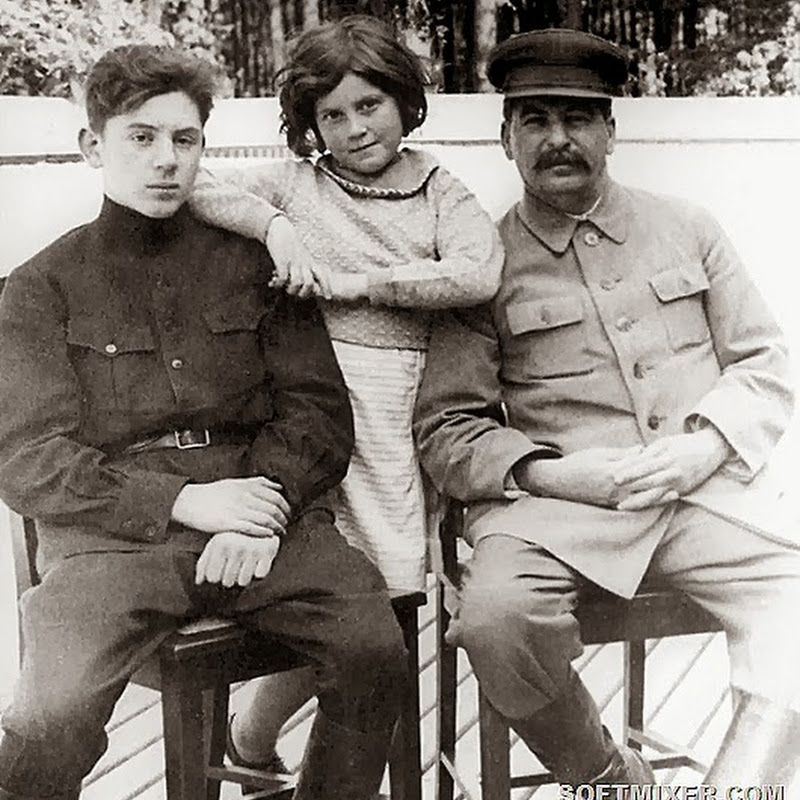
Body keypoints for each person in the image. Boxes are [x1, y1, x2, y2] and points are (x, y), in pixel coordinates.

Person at [0, 44, 408, 800]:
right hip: (112, 541)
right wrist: (183, 503)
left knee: (373, 651)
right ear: (92, 146)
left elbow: (317, 411)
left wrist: (265, 507)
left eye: (184, 139)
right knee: (50, 714)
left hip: (263, 516)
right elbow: (26, 457)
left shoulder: (257, 265)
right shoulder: (39, 287)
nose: (166, 160)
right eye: (141, 137)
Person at [413, 28, 800, 790]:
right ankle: (612, 780)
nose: (558, 138)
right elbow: (448, 429)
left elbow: (764, 361)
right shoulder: (480, 264)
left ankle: (739, 787)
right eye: (535, 120)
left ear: (612, 131)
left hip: (700, 496)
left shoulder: (687, 226)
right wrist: (552, 475)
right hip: (556, 512)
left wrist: (706, 446)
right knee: (495, 621)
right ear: (505, 138)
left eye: (579, 118)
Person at [187, 14, 503, 775]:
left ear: (404, 101)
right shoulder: (296, 183)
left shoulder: (436, 187)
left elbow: (477, 270)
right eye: (332, 115)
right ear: (310, 124)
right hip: (311, 411)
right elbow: (196, 184)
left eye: (370, 105)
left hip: (398, 413)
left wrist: (362, 283)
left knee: (386, 598)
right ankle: (256, 739)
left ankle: (264, 744)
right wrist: (275, 229)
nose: (355, 128)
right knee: (332, 597)